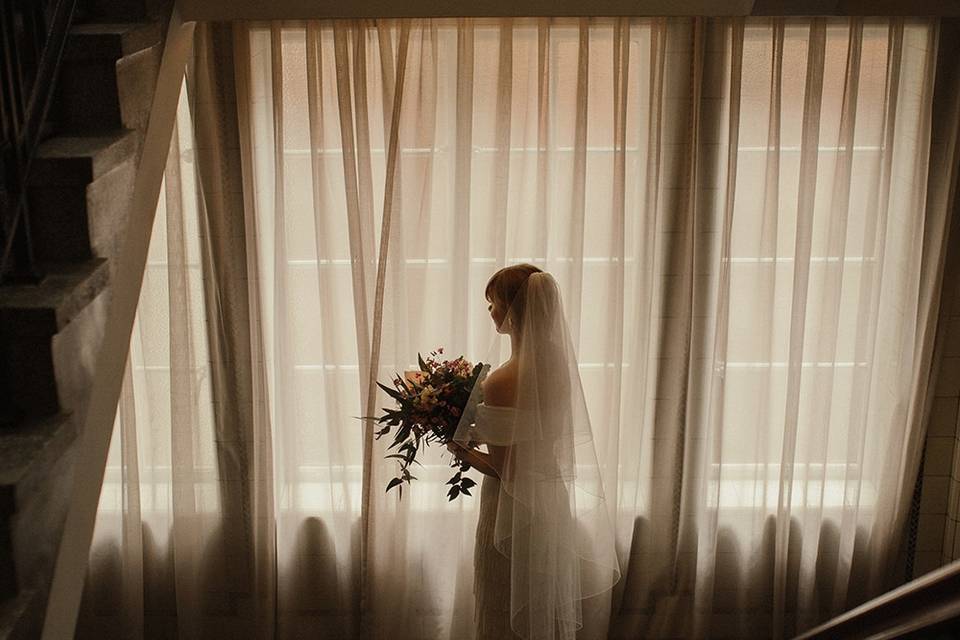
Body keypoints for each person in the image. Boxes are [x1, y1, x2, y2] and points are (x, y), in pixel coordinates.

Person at [446, 264, 621, 640]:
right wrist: (483, 433)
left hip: (509, 509)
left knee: (501, 602)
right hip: (550, 500)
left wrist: (460, 448)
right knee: (540, 606)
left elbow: (506, 469)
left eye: (493, 302)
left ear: (513, 308)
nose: (490, 311)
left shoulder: (503, 380)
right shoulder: (557, 364)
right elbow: (536, 438)